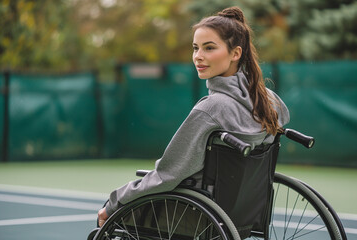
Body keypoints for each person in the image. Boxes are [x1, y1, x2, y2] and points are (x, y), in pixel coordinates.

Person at [97, 6, 290, 227]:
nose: (198, 57)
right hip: (243, 215)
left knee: (110, 216)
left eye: (209, 48)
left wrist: (114, 201)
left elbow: (167, 175)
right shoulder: (269, 100)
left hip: (196, 216)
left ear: (236, 53)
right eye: (195, 48)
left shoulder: (212, 109)